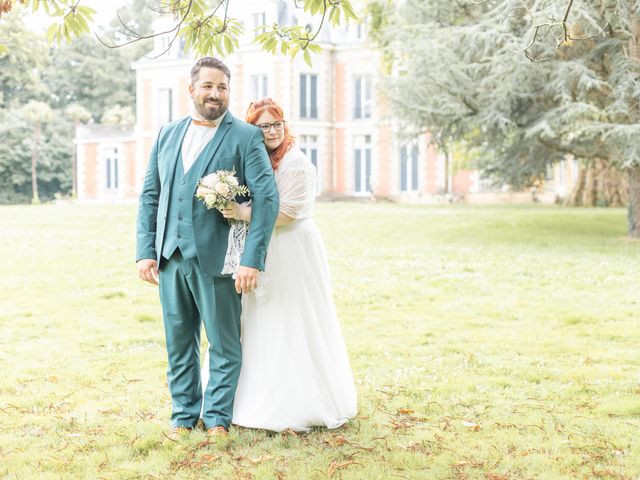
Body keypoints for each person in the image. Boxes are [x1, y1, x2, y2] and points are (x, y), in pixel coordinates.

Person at [136, 58, 279, 438]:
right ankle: (183, 415)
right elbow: (151, 195)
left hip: (220, 258)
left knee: (223, 343)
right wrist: (145, 250)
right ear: (192, 89)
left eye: (223, 87)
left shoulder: (245, 136)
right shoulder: (168, 133)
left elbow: (267, 199)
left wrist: (252, 259)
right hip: (170, 258)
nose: (216, 94)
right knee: (179, 342)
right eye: (208, 86)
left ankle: (217, 418)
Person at [208, 97, 357, 432]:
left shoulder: (297, 164)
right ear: (252, 129)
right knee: (256, 320)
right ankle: (246, 395)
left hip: (291, 248)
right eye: (264, 126)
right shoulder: (254, 157)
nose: (272, 131)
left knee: (290, 317)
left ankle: (296, 400)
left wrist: (243, 212)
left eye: (277, 124)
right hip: (262, 244)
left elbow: (288, 214)